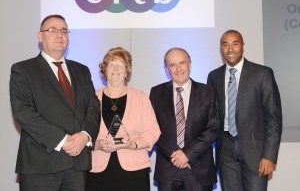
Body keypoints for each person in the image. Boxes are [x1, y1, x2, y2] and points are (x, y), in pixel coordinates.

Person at [9, 14, 101, 191]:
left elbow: (93, 106)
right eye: (52, 30)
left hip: (77, 164)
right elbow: (24, 113)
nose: (60, 35)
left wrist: (85, 136)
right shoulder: (23, 70)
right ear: (40, 36)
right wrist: (63, 140)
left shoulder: (82, 70)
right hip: (40, 165)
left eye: (64, 31)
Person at [207, 30, 282, 191]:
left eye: (235, 44)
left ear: (243, 46)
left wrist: (269, 156)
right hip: (225, 149)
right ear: (221, 49)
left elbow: (273, 118)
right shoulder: (213, 77)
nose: (230, 49)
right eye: (225, 45)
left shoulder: (262, 74)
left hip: (255, 150)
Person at [85, 47, 161, 191]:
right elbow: (82, 133)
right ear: (104, 70)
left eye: (120, 65)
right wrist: (98, 145)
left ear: (127, 71)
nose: (116, 68)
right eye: (111, 64)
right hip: (98, 170)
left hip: (134, 171)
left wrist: (132, 144)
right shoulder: (91, 98)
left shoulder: (141, 98)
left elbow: (153, 132)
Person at [149, 47, 220, 191]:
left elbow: (213, 127)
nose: (178, 69)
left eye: (182, 63)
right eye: (172, 64)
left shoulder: (208, 92)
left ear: (190, 64)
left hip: (199, 169)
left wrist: (187, 154)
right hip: (168, 168)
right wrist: (176, 155)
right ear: (167, 68)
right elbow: (152, 128)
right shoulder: (156, 93)